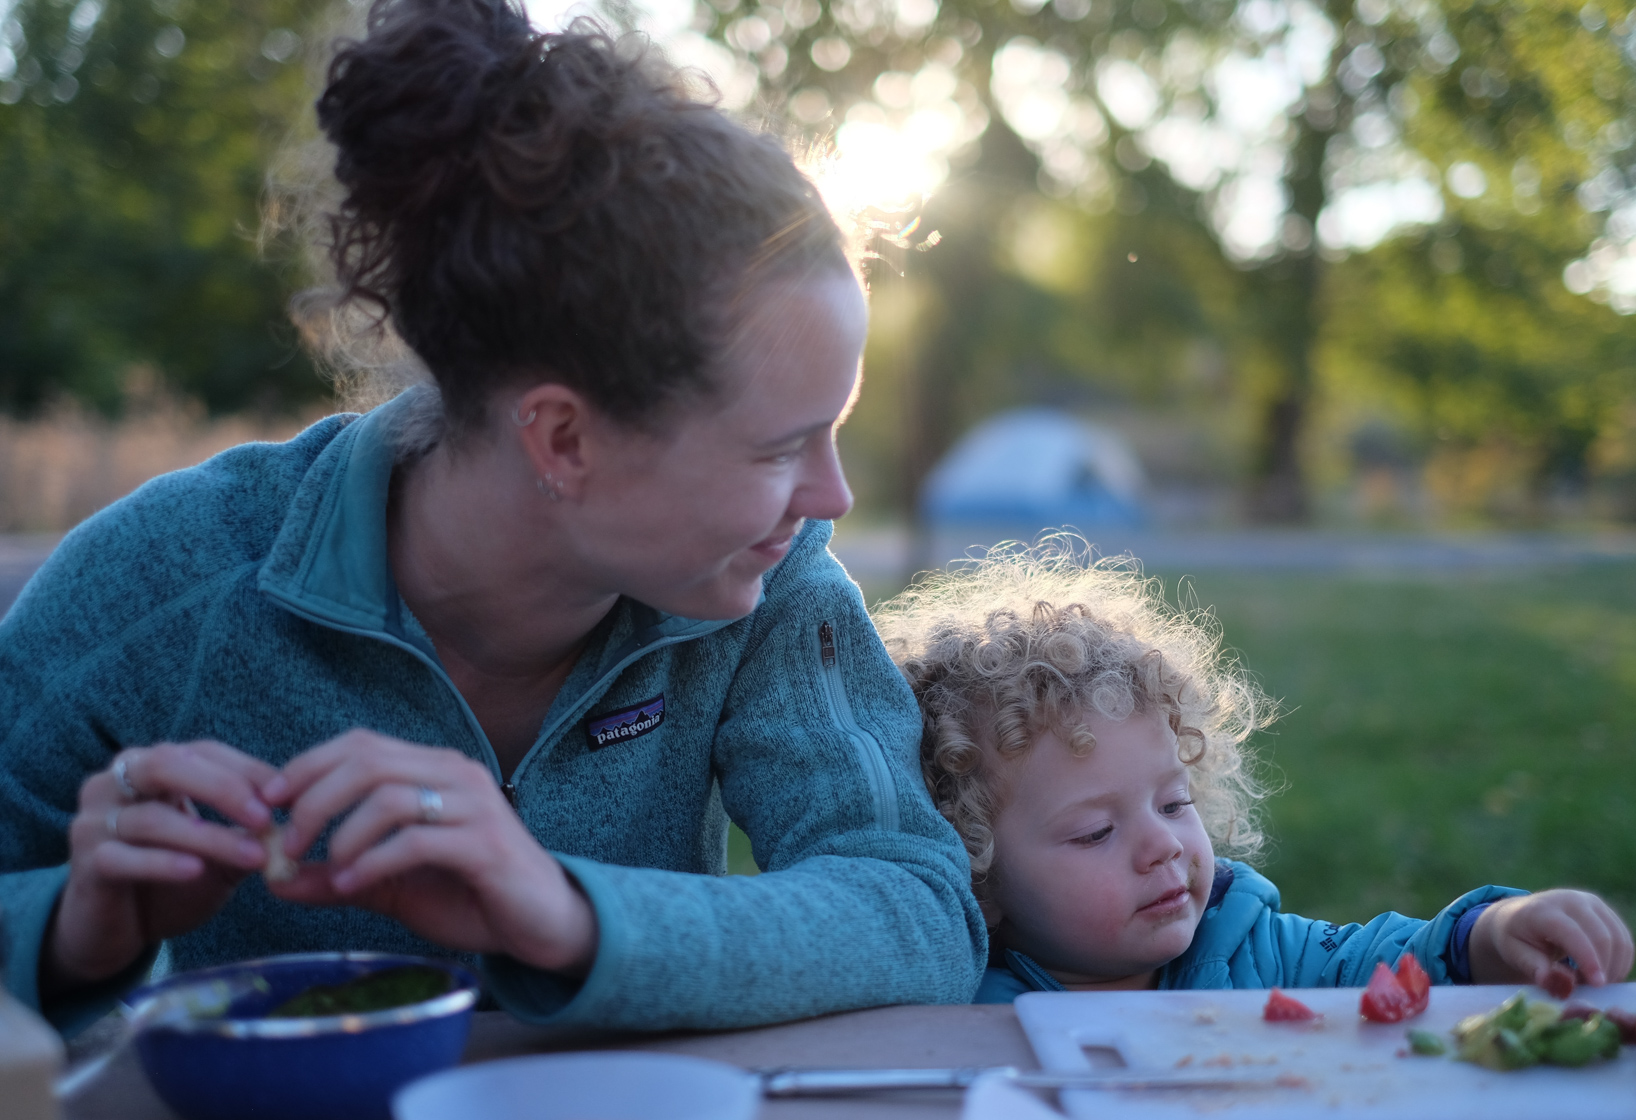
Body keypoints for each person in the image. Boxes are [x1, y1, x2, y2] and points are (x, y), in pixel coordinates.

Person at [0, 0, 985, 1036]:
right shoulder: (173, 573)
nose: (832, 498)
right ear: (563, 439)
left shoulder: (769, 575)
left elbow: (916, 907)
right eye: (781, 446)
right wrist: (70, 928)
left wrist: (566, 913)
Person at [870, 540, 1636, 1001]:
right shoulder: (956, 1006)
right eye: (1097, 830)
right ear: (978, 873)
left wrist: (1490, 937)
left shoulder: (1247, 945)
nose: (1164, 847)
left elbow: (1382, 964)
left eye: (1173, 804)